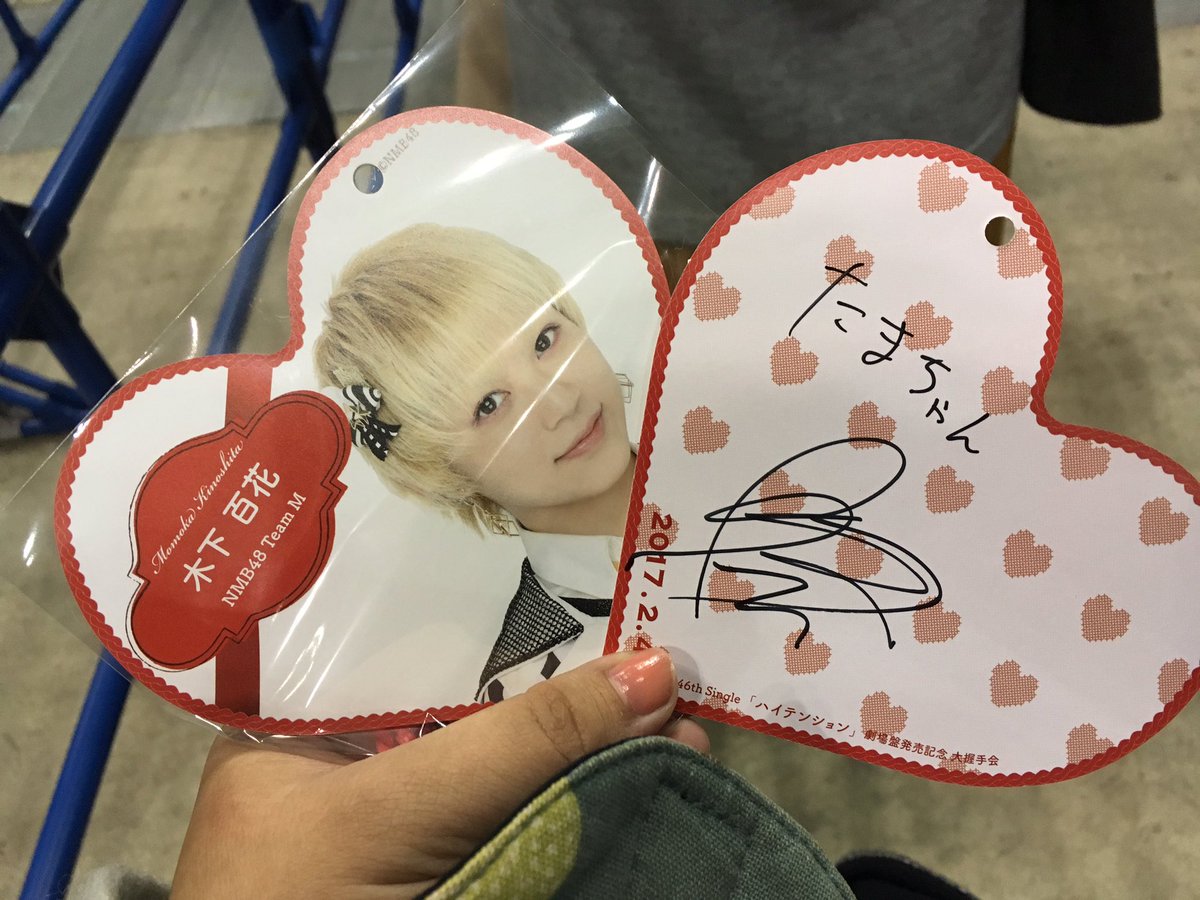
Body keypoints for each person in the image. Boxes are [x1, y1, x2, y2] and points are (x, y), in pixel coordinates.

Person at [314, 223, 642, 706]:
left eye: (544, 340)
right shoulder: (534, 684)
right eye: (489, 404)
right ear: (438, 472)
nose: (561, 402)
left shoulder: (730, 424)